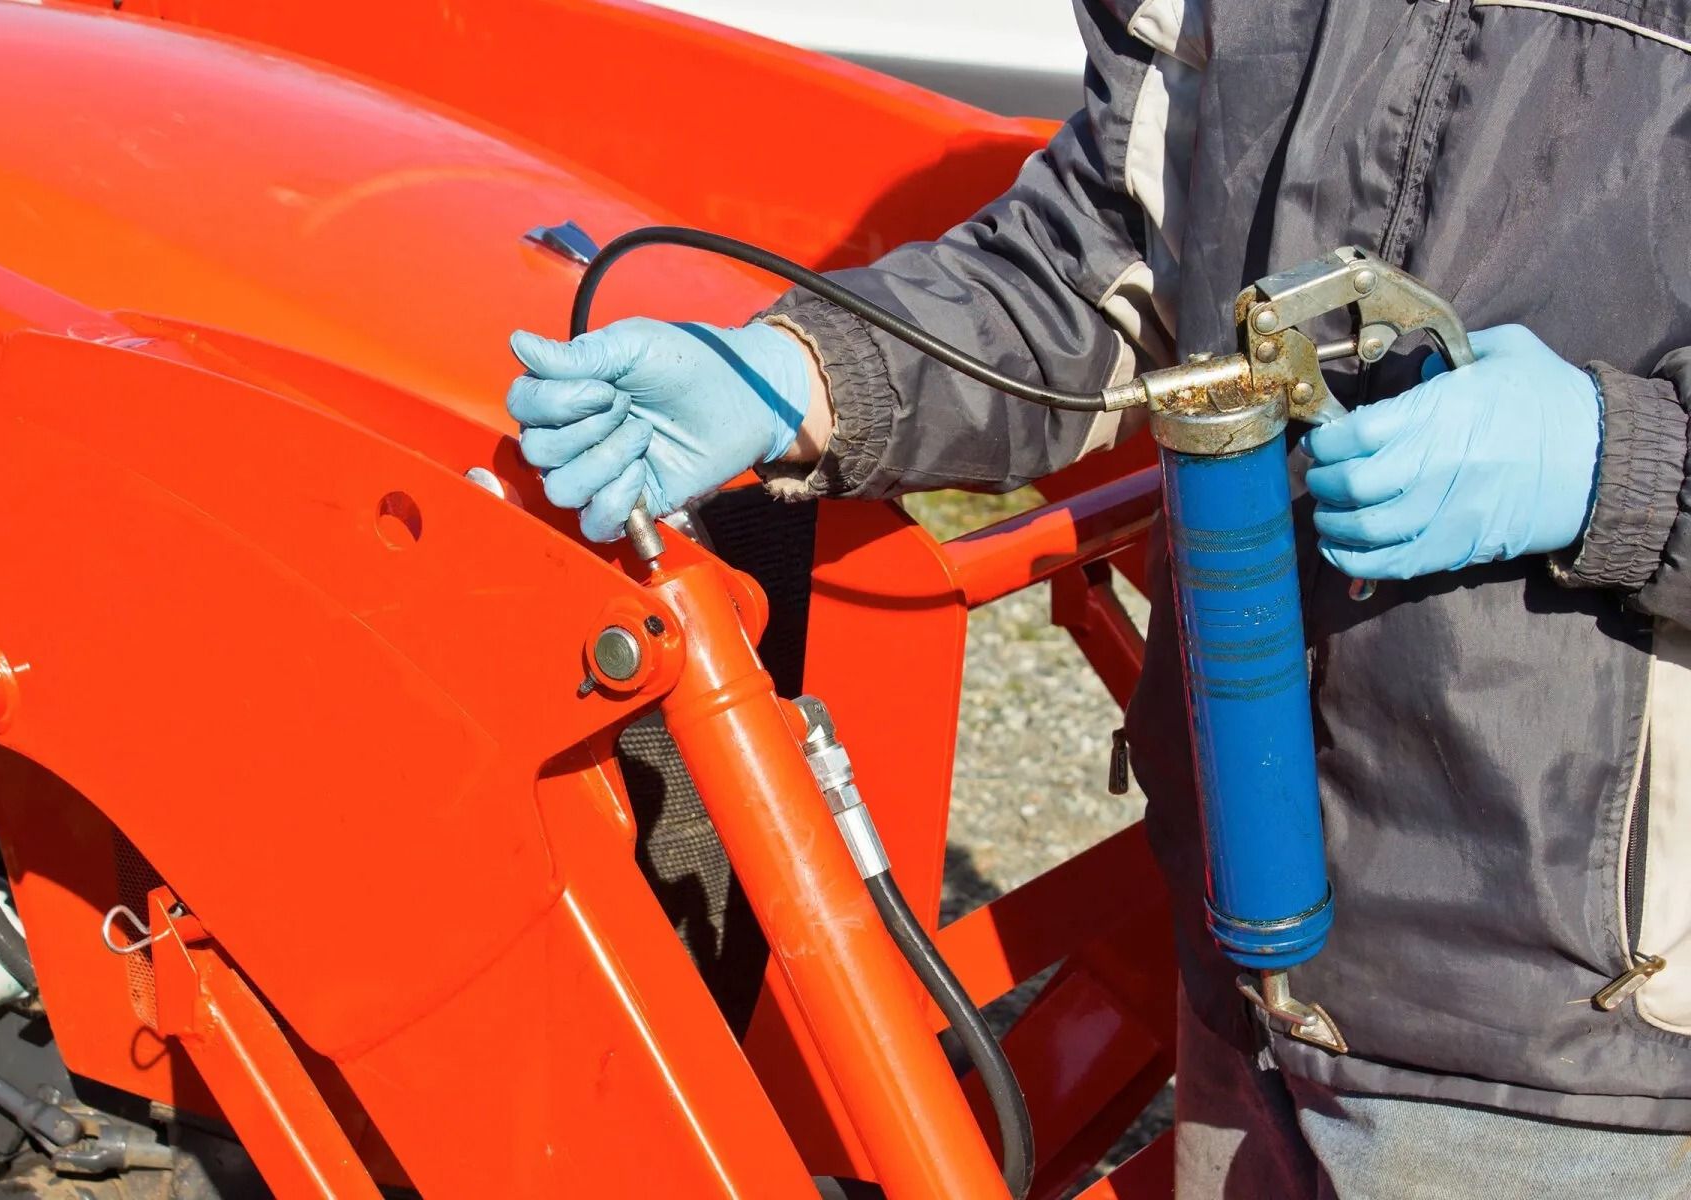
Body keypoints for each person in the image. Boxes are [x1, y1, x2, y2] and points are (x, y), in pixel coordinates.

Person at [505, 3, 1691, 1196]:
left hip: (1585, 1044)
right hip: (1250, 950)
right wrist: (798, 377)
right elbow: (1100, 266)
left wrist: (1618, 466)